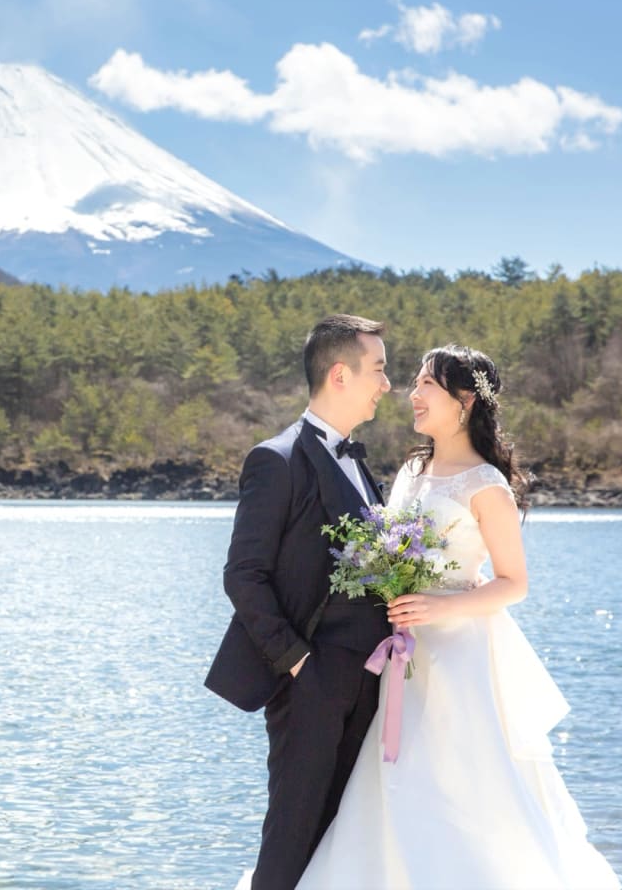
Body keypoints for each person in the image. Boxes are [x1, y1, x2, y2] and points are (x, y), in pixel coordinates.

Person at [295, 345, 621, 890]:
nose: (412, 393)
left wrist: (440, 606)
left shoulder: (486, 484)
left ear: (464, 401)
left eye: (427, 385)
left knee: (462, 783)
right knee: (395, 783)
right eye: (416, 382)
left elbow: (514, 583)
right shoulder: (411, 469)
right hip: (405, 651)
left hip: (459, 657)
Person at [204, 314, 393, 890]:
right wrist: (298, 662)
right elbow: (244, 575)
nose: (388, 384)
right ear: (341, 374)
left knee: (342, 839)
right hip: (310, 682)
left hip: (371, 680)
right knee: (291, 839)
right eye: (379, 370)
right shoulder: (276, 460)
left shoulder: (360, 462)